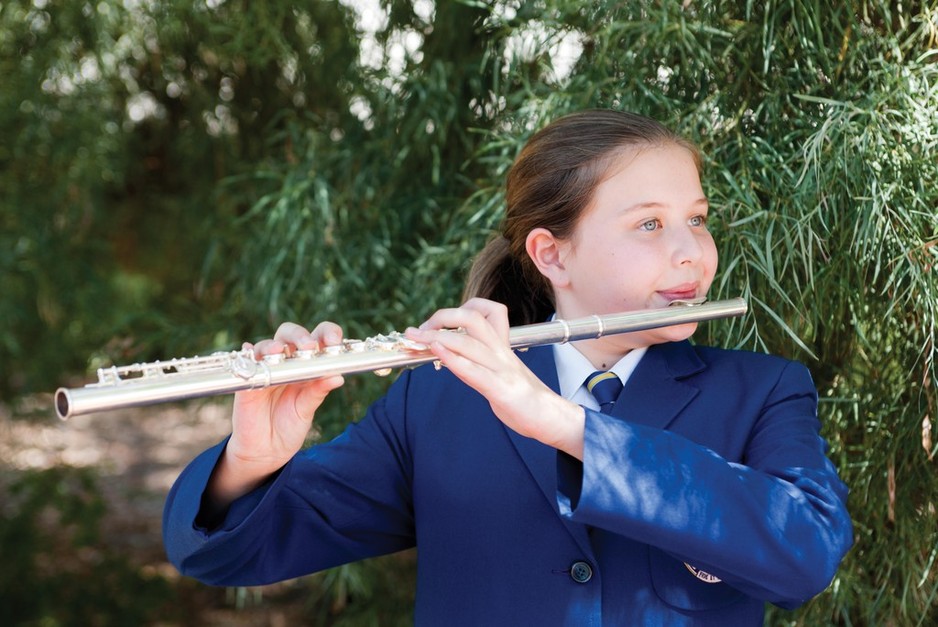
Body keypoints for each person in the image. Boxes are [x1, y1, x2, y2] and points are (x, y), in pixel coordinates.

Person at [163, 109, 853, 625]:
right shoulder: (436, 400)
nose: (691, 253)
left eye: (697, 219)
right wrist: (251, 459)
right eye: (650, 224)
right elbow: (222, 558)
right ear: (552, 254)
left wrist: (565, 424)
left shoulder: (761, 391)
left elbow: (805, 555)